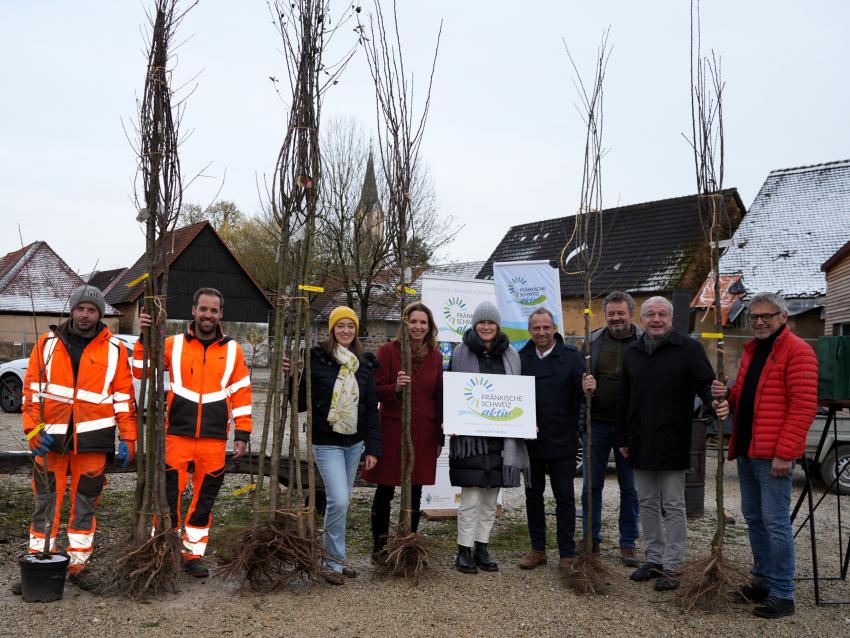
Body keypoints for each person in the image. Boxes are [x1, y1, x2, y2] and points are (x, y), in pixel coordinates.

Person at [14, 285, 137, 593]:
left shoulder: (115, 350)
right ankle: (39, 561)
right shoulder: (46, 345)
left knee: (85, 504)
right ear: (72, 310)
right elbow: (30, 392)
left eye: (92, 310)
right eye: (81, 308)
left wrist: (129, 436)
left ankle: (78, 565)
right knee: (45, 502)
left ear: (100, 314)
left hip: (93, 443)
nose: (85, 314)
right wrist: (31, 430)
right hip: (50, 441)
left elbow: (124, 398)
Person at [711, 292, 817, 619]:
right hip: (747, 449)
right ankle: (763, 580)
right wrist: (727, 393)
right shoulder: (753, 351)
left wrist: (786, 453)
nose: (759, 321)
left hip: (773, 454)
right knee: (754, 520)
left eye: (766, 316)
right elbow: (749, 395)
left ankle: (783, 593)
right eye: (754, 317)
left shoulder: (798, 352)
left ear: (783, 317)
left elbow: (802, 407)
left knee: (775, 523)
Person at [135, 287, 252, 578]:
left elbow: (241, 393)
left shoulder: (233, 350)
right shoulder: (173, 344)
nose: (208, 315)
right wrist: (143, 338)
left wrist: (243, 434)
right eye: (203, 309)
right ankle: (163, 549)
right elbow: (142, 371)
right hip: (176, 436)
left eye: (213, 310)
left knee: (204, 501)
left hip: (213, 440)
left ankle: (192, 555)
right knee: (169, 497)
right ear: (193, 310)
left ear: (221, 314)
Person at [616, 296, 728, 591]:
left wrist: (716, 401)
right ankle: (653, 558)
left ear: (671, 318)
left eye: (662, 314)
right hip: (640, 440)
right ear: (641, 320)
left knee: (674, 505)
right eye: (650, 314)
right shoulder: (632, 353)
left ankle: (673, 564)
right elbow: (624, 400)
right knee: (648, 502)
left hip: (674, 438)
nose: (656, 319)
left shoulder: (688, 349)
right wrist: (623, 438)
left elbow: (706, 386)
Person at [298, 306, 380, 583]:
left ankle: (335, 558)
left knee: (340, 504)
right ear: (332, 329)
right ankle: (331, 562)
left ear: (356, 330)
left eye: (350, 326)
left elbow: (370, 409)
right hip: (327, 441)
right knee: (339, 499)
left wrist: (373, 448)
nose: (345, 330)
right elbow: (299, 402)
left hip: (354, 443)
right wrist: (292, 377)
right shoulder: (317, 358)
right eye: (340, 326)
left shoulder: (364, 363)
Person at [448, 301, 530, 573]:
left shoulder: (512, 356)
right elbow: (452, 390)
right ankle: (463, 550)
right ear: (475, 324)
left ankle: (482, 547)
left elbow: (517, 394)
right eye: (481, 322)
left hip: (501, 439)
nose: (486, 326)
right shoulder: (460, 353)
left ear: (497, 326)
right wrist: (452, 419)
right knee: (470, 498)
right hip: (471, 440)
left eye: (490, 322)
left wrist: (524, 423)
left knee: (489, 499)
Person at [363, 302, 443, 561]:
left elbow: (439, 397)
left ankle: (408, 543)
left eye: (423, 322)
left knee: (416, 489)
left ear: (430, 327)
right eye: (413, 321)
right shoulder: (387, 352)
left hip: (424, 432)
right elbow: (373, 390)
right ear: (404, 325)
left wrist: (440, 435)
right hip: (392, 428)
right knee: (385, 489)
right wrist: (395, 388)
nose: (418, 327)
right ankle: (380, 546)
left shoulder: (436, 357)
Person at [516, 307, 584, 577]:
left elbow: (582, 397)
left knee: (564, 497)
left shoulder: (572, 357)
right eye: (536, 328)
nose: (541, 332)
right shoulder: (521, 359)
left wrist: (579, 428)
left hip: (563, 441)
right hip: (531, 441)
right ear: (530, 331)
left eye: (546, 327)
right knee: (533, 496)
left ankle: (567, 552)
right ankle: (538, 549)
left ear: (554, 328)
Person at [580, 291, 642, 566]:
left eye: (621, 313)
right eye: (611, 313)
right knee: (591, 485)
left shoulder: (644, 341)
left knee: (630, 487)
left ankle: (628, 542)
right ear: (605, 315)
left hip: (630, 427)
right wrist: (585, 389)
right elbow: (579, 378)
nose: (616, 318)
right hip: (597, 425)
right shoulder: (592, 341)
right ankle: (590, 537)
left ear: (631, 313)